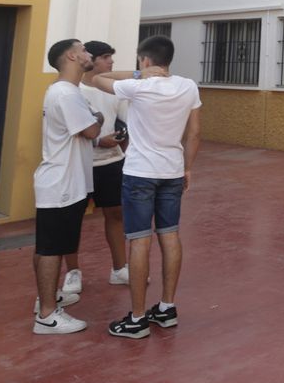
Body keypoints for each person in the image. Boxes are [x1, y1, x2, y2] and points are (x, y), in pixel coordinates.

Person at [85, 34, 201, 339]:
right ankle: (166, 308)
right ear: (169, 59)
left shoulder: (137, 86)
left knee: (139, 240)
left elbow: (97, 78)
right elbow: (195, 133)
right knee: (170, 234)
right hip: (172, 171)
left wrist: (138, 74)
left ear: (145, 60)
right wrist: (187, 168)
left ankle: (137, 318)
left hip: (139, 173)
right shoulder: (188, 86)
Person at [32, 39, 103, 335]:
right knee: (50, 248)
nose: (89, 55)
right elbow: (90, 130)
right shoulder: (66, 93)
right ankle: (47, 315)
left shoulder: (64, 91)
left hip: (65, 181)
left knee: (51, 244)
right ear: (73, 56)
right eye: (84, 50)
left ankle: (47, 299)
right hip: (61, 183)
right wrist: (98, 118)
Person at [80, 41, 131, 286]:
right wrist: (99, 141)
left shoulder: (115, 91)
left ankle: (120, 268)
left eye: (111, 57)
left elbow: (129, 121)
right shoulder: (72, 91)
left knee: (116, 214)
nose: (111, 62)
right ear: (91, 60)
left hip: (112, 163)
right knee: (73, 220)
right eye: (106, 57)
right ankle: (72, 275)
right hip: (80, 165)